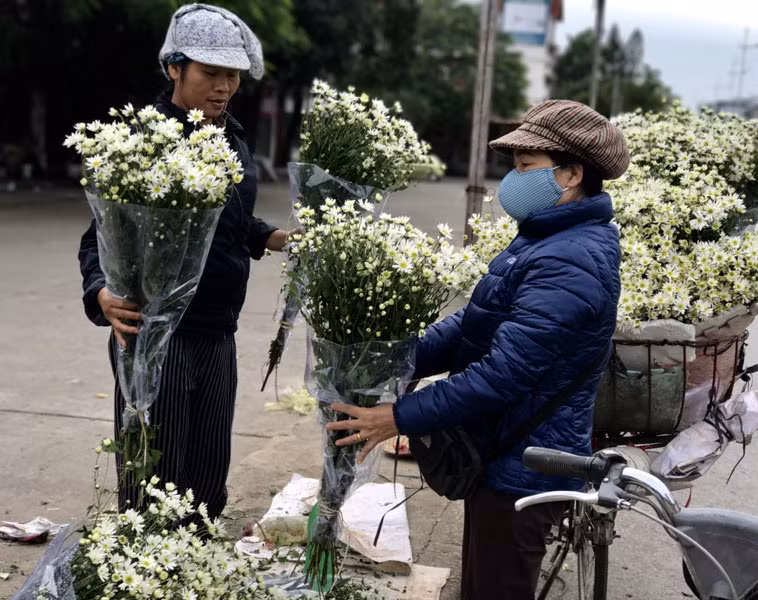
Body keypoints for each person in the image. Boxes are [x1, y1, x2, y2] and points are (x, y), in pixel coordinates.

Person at [327, 100, 629, 599]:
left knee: (495, 587)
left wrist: (398, 417)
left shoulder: (571, 257)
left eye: (526, 166)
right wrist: (395, 356)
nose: (512, 180)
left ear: (571, 173)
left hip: (528, 463)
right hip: (505, 447)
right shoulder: (545, 239)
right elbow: (477, 325)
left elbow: (502, 374)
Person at [78, 4, 293, 519]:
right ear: (174, 68)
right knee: (154, 482)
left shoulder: (232, 137)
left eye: (233, 76)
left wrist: (273, 237)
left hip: (219, 331)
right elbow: (98, 239)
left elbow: (229, 223)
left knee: (205, 483)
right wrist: (100, 294)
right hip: (158, 336)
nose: (223, 87)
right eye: (210, 73)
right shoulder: (145, 145)